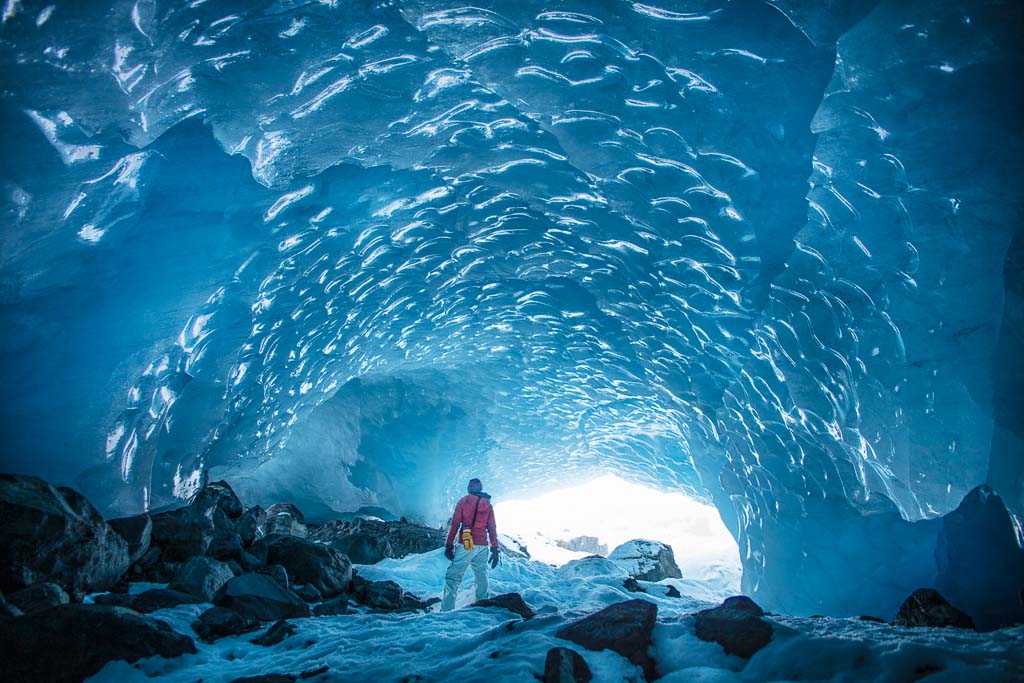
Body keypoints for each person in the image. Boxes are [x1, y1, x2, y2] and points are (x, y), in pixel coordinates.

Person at [441, 478, 500, 611]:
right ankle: (482, 606)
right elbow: (492, 528)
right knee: (481, 575)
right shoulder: (488, 505)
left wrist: (449, 545)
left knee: (453, 577)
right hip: (483, 545)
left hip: (467, 543)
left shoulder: (464, 501)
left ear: (469, 488)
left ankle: (446, 610)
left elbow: (455, 524)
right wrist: (495, 548)